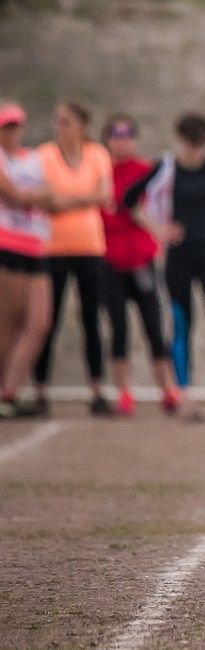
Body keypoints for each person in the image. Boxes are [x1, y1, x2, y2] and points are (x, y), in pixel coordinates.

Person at [123, 112, 205, 421]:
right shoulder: (166, 168)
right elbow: (130, 198)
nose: (196, 151)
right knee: (181, 324)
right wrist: (157, 228)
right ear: (181, 141)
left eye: (201, 144)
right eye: (191, 144)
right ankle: (185, 394)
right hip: (179, 257)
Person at [35, 102, 114, 415]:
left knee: (92, 320)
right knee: (48, 321)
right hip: (52, 248)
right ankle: (40, 390)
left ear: (82, 125)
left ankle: (97, 389)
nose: (61, 127)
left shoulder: (97, 154)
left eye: (67, 121)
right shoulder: (44, 155)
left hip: (90, 247)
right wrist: (85, 198)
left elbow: (105, 196)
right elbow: (47, 201)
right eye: (58, 121)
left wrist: (65, 200)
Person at [100, 114, 180, 416]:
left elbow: (155, 204)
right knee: (118, 328)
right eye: (116, 135)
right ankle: (124, 393)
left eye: (128, 134)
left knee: (154, 327)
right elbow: (106, 210)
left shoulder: (146, 171)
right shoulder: (101, 172)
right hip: (110, 260)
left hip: (142, 259)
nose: (123, 141)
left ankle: (168, 389)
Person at [0, 103, 58, 419]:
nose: (12, 132)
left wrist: (30, 196)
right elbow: (14, 196)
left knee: (39, 322)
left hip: (36, 246)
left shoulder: (31, 159)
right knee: (8, 322)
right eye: (6, 127)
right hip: (7, 244)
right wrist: (34, 196)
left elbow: (51, 194)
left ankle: (11, 390)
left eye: (16, 126)